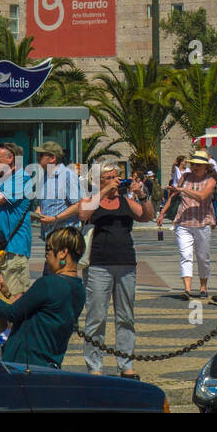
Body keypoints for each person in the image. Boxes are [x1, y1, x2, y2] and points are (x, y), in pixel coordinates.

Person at [79, 162, 154, 377]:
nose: (114, 180)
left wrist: (142, 195)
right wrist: (103, 190)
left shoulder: (125, 201)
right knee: (96, 317)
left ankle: (126, 364)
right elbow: (83, 214)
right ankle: (94, 367)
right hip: (99, 265)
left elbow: (146, 215)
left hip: (126, 263)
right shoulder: (92, 200)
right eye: (108, 177)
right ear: (98, 180)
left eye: (116, 176)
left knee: (126, 317)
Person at [0, 227, 86, 368]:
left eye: (49, 249)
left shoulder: (48, 284)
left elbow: (12, 313)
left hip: (24, 363)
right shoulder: (79, 289)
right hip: (50, 363)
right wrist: (7, 294)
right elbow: (35, 311)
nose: (46, 255)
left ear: (63, 253)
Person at [172, 151, 217, 298]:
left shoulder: (211, 180)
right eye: (193, 164)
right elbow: (175, 195)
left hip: (202, 223)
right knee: (185, 255)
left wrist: (184, 190)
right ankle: (187, 289)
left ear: (205, 167)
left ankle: (203, 287)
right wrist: (162, 213)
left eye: (198, 165)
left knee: (202, 257)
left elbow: (202, 196)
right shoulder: (185, 177)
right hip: (183, 222)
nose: (195, 167)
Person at [0, 141, 36, 302]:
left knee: (14, 299)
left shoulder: (21, 178)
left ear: (10, 158)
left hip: (13, 248)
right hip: (2, 246)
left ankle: (16, 328)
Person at [32, 143, 82, 252]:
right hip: (50, 236)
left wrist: (55, 218)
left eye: (41, 155)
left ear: (52, 158)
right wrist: (38, 212)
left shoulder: (68, 175)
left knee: (62, 268)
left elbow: (78, 205)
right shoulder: (44, 176)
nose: (37, 158)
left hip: (64, 236)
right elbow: (42, 203)